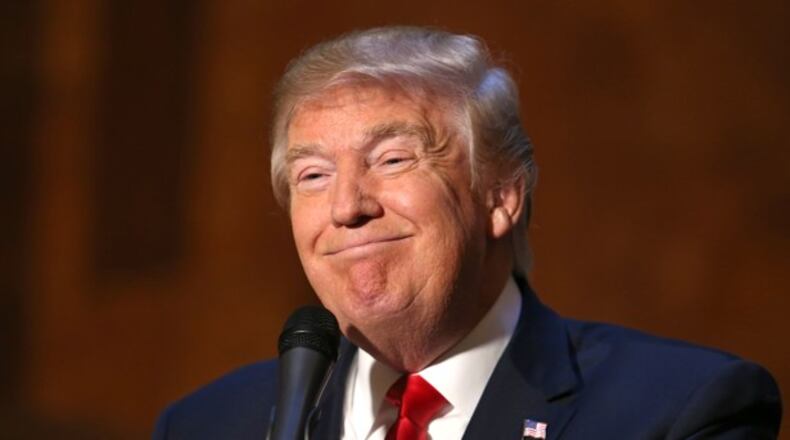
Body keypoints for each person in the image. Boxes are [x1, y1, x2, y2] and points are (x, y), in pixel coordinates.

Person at [153, 26, 782, 439]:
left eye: (393, 159)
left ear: (502, 194)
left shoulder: (681, 413)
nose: (346, 206)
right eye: (312, 175)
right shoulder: (205, 425)